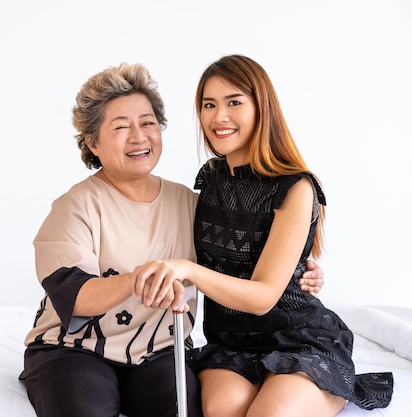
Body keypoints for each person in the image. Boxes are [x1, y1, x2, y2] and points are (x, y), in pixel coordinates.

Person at [19, 62, 324, 417]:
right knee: (85, 405)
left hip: (159, 351)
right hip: (75, 349)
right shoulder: (75, 207)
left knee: (184, 406)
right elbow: (75, 295)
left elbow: (239, 258)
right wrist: (140, 278)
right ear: (92, 142)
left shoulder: (192, 203)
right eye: (121, 127)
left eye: (147, 123)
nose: (138, 137)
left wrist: (300, 269)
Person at [131, 55, 393, 417]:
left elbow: (264, 297)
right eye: (209, 105)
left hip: (300, 340)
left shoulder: (296, 187)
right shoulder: (210, 179)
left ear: (261, 108)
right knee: (223, 409)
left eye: (234, 102)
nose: (218, 116)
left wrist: (187, 270)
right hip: (232, 343)